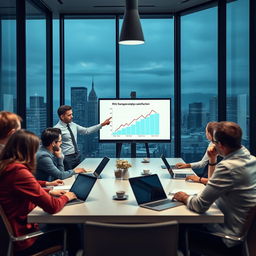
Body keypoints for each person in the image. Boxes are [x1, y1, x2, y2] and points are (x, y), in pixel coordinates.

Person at [173, 121, 256, 250]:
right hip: (239, 229)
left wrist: (183, 197)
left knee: (176, 226)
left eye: (214, 142)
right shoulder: (252, 160)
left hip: (225, 236)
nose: (213, 145)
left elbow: (199, 206)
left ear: (220, 145)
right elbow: (212, 184)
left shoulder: (228, 167)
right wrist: (212, 160)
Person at [0, 129, 78, 255]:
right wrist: (68, 197)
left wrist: (48, 190)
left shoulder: (6, 166)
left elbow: (24, 186)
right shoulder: (19, 171)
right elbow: (52, 206)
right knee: (73, 228)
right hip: (24, 240)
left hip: (14, 231)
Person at [54, 105, 111, 170]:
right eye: (69, 115)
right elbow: (54, 146)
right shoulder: (56, 129)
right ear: (62, 116)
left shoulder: (73, 125)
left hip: (77, 156)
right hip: (66, 158)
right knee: (68, 178)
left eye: (71, 114)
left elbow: (86, 131)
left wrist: (102, 124)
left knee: (78, 174)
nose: (72, 116)